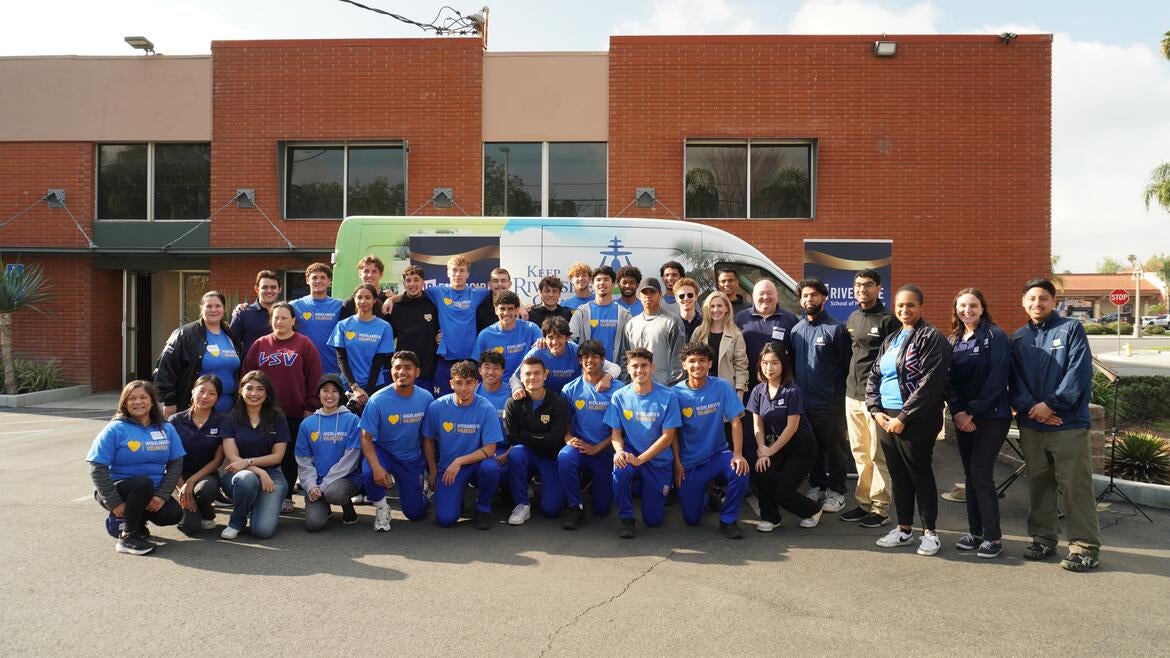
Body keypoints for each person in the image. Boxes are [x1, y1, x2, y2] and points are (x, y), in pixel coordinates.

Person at [1010, 278, 1100, 571]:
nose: (1037, 303)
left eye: (1043, 298)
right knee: (1039, 483)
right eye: (1032, 298)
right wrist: (1032, 409)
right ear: (1024, 302)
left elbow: (1079, 372)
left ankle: (1084, 547)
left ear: (1054, 301)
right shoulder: (1019, 337)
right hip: (1032, 424)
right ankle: (1043, 538)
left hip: (1067, 423)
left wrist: (1051, 404)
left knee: (1075, 486)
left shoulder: (1071, 329)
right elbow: (1014, 380)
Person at [866, 285, 951, 556]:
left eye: (910, 305)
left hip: (916, 418)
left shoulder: (930, 337)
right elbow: (874, 376)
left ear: (921, 307)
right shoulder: (891, 338)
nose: (905, 310)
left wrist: (904, 416)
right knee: (898, 475)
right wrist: (875, 409)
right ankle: (903, 529)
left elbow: (931, 383)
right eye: (900, 305)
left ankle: (930, 533)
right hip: (886, 417)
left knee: (919, 473)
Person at [947, 288, 1011, 559]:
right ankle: (975, 532)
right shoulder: (954, 339)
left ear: (982, 308)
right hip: (964, 418)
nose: (968, 310)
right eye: (963, 306)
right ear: (956, 309)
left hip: (991, 417)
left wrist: (970, 411)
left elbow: (997, 381)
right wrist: (958, 412)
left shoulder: (995, 337)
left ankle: (993, 538)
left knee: (981, 474)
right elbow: (948, 381)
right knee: (970, 477)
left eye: (973, 305)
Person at [87, 380, 185, 555]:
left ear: (152, 401)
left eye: (143, 397)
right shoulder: (115, 429)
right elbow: (97, 467)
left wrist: (162, 496)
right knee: (142, 483)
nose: (138, 402)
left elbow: (176, 463)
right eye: (132, 398)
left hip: (151, 491)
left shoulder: (166, 428)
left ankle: (136, 522)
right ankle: (128, 536)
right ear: (124, 403)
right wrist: (114, 502)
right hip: (118, 490)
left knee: (172, 514)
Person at [244, 301, 323, 513]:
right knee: (263, 452)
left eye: (284, 318)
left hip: (294, 411)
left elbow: (314, 376)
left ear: (293, 321)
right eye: (276, 317)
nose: (279, 322)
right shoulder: (260, 344)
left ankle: (287, 495)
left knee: (289, 456)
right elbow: (247, 376)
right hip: (262, 412)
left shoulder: (304, 344)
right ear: (270, 320)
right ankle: (259, 494)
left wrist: (311, 405)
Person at [841, 269, 900, 528]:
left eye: (867, 285)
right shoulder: (853, 317)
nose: (862, 290)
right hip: (851, 395)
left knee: (878, 454)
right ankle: (864, 503)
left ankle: (880, 507)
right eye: (858, 285)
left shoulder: (889, 320)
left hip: (876, 399)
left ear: (878, 289)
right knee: (860, 453)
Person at [672, 342, 749, 539]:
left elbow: (735, 421)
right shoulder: (675, 394)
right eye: (692, 361)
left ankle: (728, 520)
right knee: (691, 519)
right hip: (690, 462)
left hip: (717, 454)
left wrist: (738, 454)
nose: (697, 365)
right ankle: (709, 497)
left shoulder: (722, 387)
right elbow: (671, 432)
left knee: (740, 470)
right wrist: (678, 464)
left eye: (702, 361)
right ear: (684, 364)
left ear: (709, 364)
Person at [605, 347, 682, 538]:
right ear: (628, 369)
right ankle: (626, 517)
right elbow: (615, 433)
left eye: (644, 366)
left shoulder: (668, 396)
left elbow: (668, 437)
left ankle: (648, 486)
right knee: (619, 468)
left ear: (653, 367)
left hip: (658, 459)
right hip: (632, 451)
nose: (640, 370)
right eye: (635, 366)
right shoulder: (619, 396)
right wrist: (619, 451)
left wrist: (640, 460)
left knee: (653, 520)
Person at [747, 344, 824, 531]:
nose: (769, 368)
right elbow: (757, 425)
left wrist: (770, 450)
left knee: (782, 493)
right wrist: (762, 451)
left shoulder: (792, 391)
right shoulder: (758, 391)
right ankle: (771, 518)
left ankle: (813, 510)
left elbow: (792, 427)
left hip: (801, 447)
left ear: (784, 365)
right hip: (776, 444)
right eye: (765, 363)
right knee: (763, 471)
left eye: (774, 363)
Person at [790, 278, 852, 514]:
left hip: (829, 403)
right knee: (811, 447)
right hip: (803, 402)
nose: (809, 300)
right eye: (805, 296)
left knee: (835, 449)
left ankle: (837, 492)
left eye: (814, 295)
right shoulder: (796, 330)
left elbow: (846, 367)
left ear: (824, 298)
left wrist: (838, 397)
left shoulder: (836, 329)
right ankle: (817, 484)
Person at [422, 360, 503, 529]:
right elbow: (428, 439)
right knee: (445, 520)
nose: (464, 388)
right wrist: (433, 470)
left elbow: (490, 449)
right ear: (451, 383)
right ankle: (457, 500)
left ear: (476, 383)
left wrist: (459, 461)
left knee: (492, 468)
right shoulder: (436, 407)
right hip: (448, 468)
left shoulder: (486, 408)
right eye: (458, 383)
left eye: (469, 383)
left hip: (476, 464)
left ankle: (483, 507)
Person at [359, 351, 434, 531]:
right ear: (391, 371)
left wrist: (432, 470)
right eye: (397, 367)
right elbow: (365, 437)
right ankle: (382, 507)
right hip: (384, 452)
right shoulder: (377, 400)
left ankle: (420, 493)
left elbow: (428, 438)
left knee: (415, 513)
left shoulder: (426, 398)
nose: (402, 372)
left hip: (411, 458)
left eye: (407, 368)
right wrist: (377, 467)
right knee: (370, 472)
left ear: (417, 372)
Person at [219, 370, 290, 540]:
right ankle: (237, 521)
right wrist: (259, 471)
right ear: (241, 391)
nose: (254, 393)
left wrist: (253, 464)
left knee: (262, 531)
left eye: (260, 389)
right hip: (238, 475)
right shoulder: (231, 418)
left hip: (273, 475)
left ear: (267, 394)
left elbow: (277, 456)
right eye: (249, 388)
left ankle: (258, 505)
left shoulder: (277, 418)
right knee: (248, 479)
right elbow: (232, 457)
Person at [735, 278, 798, 467]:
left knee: (777, 430)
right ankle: (752, 477)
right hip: (748, 388)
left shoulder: (789, 319)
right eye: (760, 294)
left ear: (776, 295)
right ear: (752, 297)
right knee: (750, 431)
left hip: (778, 388)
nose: (765, 297)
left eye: (769, 293)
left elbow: (794, 354)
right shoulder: (740, 318)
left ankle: (775, 471)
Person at [558, 340, 620, 530]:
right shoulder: (569, 389)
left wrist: (598, 448)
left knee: (602, 510)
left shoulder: (618, 389)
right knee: (564, 457)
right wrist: (568, 437)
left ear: (602, 360)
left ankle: (597, 485)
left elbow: (621, 430)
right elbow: (565, 422)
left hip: (605, 451)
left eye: (594, 356)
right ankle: (575, 506)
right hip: (580, 448)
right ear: (579, 361)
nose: (589, 360)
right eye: (585, 357)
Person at [501, 357, 570, 525]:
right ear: (521, 378)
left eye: (537, 373)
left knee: (551, 510)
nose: (532, 378)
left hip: (550, 457)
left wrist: (525, 434)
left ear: (545, 375)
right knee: (516, 453)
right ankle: (522, 504)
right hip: (526, 453)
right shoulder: (512, 404)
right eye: (528, 374)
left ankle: (551, 489)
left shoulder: (558, 402)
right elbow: (512, 437)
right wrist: (538, 438)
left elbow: (554, 440)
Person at [156, 290, 242, 416]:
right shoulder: (184, 334)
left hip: (229, 409)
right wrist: (169, 401)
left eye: (218, 306)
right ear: (201, 308)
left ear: (224, 309)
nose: (214, 310)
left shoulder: (231, 335)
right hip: (195, 408)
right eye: (209, 306)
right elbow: (165, 368)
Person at [295, 374, 362, 531]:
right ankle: (324, 506)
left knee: (334, 493)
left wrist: (324, 486)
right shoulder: (308, 423)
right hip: (316, 483)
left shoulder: (352, 420)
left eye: (334, 391)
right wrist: (311, 486)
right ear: (319, 394)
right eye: (325, 390)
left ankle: (347, 507)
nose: (329, 395)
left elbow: (351, 458)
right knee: (314, 524)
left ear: (340, 394)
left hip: (345, 480)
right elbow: (303, 459)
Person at [419, 255, 493, 396]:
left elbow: (500, 293)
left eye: (461, 270)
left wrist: (520, 305)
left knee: (470, 399)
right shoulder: (437, 292)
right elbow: (413, 294)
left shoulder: (477, 293)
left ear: (467, 274)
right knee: (442, 400)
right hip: (445, 360)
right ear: (447, 272)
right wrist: (391, 299)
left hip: (470, 359)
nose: (457, 274)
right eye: (454, 270)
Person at [168, 375, 225, 534]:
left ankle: (206, 509)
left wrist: (191, 482)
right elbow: (169, 459)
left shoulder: (222, 421)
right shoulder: (175, 421)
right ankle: (196, 511)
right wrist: (181, 487)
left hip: (206, 476)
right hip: (178, 476)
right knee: (190, 528)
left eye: (212, 393)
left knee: (206, 489)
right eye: (201, 391)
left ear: (218, 398)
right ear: (192, 392)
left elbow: (218, 460)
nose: (205, 397)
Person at [509, 317, 619, 395]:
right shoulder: (536, 353)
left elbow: (615, 368)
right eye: (550, 337)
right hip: (545, 402)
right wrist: (517, 389)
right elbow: (515, 377)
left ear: (567, 338)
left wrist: (606, 378)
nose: (554, 342)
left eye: (559, 337)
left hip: (572, 399)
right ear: (544, 338)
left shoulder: (576, 350)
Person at [329, 284, 396, 410]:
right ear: (354, 299)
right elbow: (341, 359)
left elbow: (379, 360)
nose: (363, 301)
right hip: (347, 387)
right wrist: (355, 387)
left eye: (368, 297)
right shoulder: (342, 325)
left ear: (374, 300)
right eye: (359, 297)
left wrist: (366, 393)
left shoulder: (384, 327)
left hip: (374, 386)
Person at [621, 277, 686, 385]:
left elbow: (678, 357)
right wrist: (628, 385)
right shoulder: (631, 324)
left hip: (664, 387)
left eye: (652, 292)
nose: (648, 296)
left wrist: (673, 387)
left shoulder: (672, 321)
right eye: (644, 292)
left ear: (660, 294)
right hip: (637, 389)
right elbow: (624, 358)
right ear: (639, 296)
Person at [387, 265, 440, 395]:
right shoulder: (396, 307)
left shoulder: (433, 304)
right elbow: (388, 339)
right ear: (404, 283)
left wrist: (442, 336)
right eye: (408, 280)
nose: (412, 284)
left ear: (423, 282)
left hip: (428, 371)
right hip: (404, 373)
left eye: (416, 280)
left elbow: (443, 327)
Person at [473, 291, 542, 381]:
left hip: (526, 385)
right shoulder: (485, 335)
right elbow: (478, 366)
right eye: (502, 309)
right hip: (497, 388)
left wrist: (543, 342)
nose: (506, 313)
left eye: (510, 309)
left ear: (517, 310)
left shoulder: (532, 329)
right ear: (496, 310)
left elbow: (542, 355)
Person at [291, 262, 345, 376]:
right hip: (303, 368)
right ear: (307, 280)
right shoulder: (295, 306)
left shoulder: (340, 305)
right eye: (314, 277)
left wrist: (391, 299)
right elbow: (274, 313)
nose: (318, 281)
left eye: (323, 278)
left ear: (329, 281)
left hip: (333, 368)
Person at [691, 291, 748, 397]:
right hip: (701, 390)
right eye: (712, 306)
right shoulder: (699, 333)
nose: (716, 310)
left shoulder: (736, 335)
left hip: (726, 392)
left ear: (727, 308)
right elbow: (690, 361)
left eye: (719, 306)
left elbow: (741, 366)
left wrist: (739, 394)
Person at [569, 266, 631, 363]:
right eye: (598, 280)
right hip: (588, 372)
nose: (602, 283)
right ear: (593, 284)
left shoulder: (624, 314)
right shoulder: (582, 312)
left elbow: (631, 347)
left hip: (616, 375)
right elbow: (570, 341)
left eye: (606, 279)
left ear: (613, 284)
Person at [230, 269, 282, 357]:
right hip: (252, 369)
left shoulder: (286, 315)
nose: (269, 291)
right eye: (264, 287)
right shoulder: (243, 314)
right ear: (257, 289)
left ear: (279, 289)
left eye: (273, 287)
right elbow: (231, 346)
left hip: (280, 367)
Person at [340, 255, 389, 322]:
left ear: (381, 274)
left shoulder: (387, 301)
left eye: (374, 271)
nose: (370, 275)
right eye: (366, 271)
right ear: (360, 274)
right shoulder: (350, 303)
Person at [476, 350, 512, 431]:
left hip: (507, 443)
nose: (491, 372)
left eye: (496, 368)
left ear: (502, 371)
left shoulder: (511, 393)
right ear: (479, 370)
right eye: (487, 367)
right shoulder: (473, 392)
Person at [476, 267, 514, 332]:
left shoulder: (517, 307)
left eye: (503, 281)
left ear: (510, 284)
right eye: (495, 281)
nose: (499, 284)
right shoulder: (481, 308)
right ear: (489, 284)